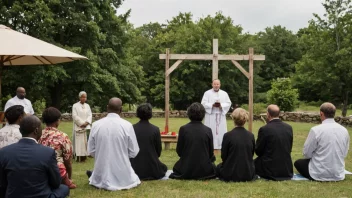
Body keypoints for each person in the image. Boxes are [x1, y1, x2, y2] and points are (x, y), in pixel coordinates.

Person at [0, 115, 69, 198]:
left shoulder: (4, 152)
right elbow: (56, 183)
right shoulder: (48, 152)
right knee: (64, 188)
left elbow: (2, 184)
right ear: (36, 131)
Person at [87, 98, 140, 190]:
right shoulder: (127, 125)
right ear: (121, 109)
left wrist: (102, 156)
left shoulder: (96, 125)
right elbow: (134, 152)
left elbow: (91, 150)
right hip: (122, 175)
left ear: (107, 108)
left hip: (101, 174)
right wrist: (121, 156)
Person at [294, 102, 350, 181]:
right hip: (337, 172)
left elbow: (307, 153)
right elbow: (344, 153)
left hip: (318, 173)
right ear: (334, 114)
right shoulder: (344, 130)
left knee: (298, 163)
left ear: (321, 113)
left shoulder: (316, 130)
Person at [169, 102, 216, 180]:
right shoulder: (208, 130)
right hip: (204, 168)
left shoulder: (183, 129)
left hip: (186, 166)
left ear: (189, 114)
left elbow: (179, 151)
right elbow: (210, 153)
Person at [39, 107, 76, 189]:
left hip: (39, 172)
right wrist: (69, 179)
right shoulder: (62, 136)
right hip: (56, 172)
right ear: (57, 121)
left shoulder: (38, 135)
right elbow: (67, 161)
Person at [254, 104, 293, 181]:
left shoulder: (264, 129)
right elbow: (289, 147)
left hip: (269, 168)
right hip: (286, 168)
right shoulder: (289, 127)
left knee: (251, 164)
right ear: (279, 114)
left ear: (268, 114)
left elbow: (258, 151)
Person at [217, 108, 256, 182]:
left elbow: (224, 156)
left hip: (230, 173)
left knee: (218, 167)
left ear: (233, 119)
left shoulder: (227, 135)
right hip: (248, 173)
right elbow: (251, 154)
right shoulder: (251, 135)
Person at [130, 103, 167, 180]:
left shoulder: (131, 128)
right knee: (163, 167)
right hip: (151, 166)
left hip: (134, 167)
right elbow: (158, 151)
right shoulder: (155, 129)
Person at [201, 79, 231, 150]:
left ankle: (221, 145)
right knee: (210, 130)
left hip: (220, 115)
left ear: (220, 85)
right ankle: (209, 145)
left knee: (221, 131)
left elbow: (228, 103)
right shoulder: (207, 93)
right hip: (211, 115)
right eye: (215, 84)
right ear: (212, 84)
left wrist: (221, 105)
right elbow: (203, 103)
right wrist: (212, 105)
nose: (216, 86)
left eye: (217, 84)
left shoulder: (224, 93)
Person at [72, 91, 92, 162]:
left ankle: (85, 156)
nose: (84, 98)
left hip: (86, 126)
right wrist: (81, 123)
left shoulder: (87, 106)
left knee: (85, 142)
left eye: (85, 97)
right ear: (80, 97)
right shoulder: (75, 106)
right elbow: (74, 116)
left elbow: (90, 115)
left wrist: (86, 123)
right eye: (82, 97)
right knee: (79, 142)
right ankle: (78, 157)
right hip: (79, 126)